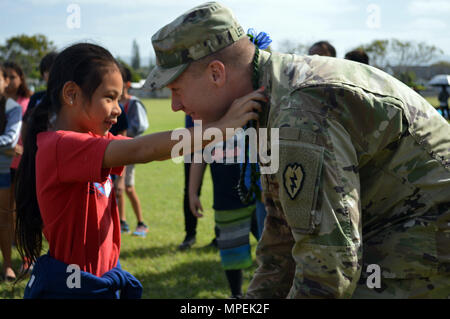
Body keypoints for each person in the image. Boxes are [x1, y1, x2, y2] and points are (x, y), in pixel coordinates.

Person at [144, 2, 450, 298]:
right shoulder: (268, 95)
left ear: (216, 73)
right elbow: (282, 234)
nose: (175, 106)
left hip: (427, 230)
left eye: (176, 89)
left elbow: (328, 271)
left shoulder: (296, 114)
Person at [14, 42, 262, 298]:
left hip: (101, 277)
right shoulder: (61, 146)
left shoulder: (93, 142)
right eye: (109, 97)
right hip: (76, 288)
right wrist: (221, 128)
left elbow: (151, 148)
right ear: (71, 94)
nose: (118, 109)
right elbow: (142, 150)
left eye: (119, 99)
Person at [189, 135, 259, 299]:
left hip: (259, 199)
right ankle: (236, 295)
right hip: (226, 202)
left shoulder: (250, 117)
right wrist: (193, 192)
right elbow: (199, 158)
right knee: (232, 253)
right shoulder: (208, 125)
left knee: (272, 249)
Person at [118, 65, 149, 237]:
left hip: (129, 151)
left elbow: (140, 126)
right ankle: (122, 221)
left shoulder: (133, 103)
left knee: (127, 187)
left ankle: (141, 222)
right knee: (117, 189)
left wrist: (121, 134)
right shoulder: (112, 103)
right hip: (115, 150)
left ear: (127, 84)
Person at [0, 65, 22, 282]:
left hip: (2, 171)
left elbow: (10, 140)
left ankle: (7, 265)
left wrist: (7, 147)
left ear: (5, 81)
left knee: (4, 220)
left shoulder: (12, 107)